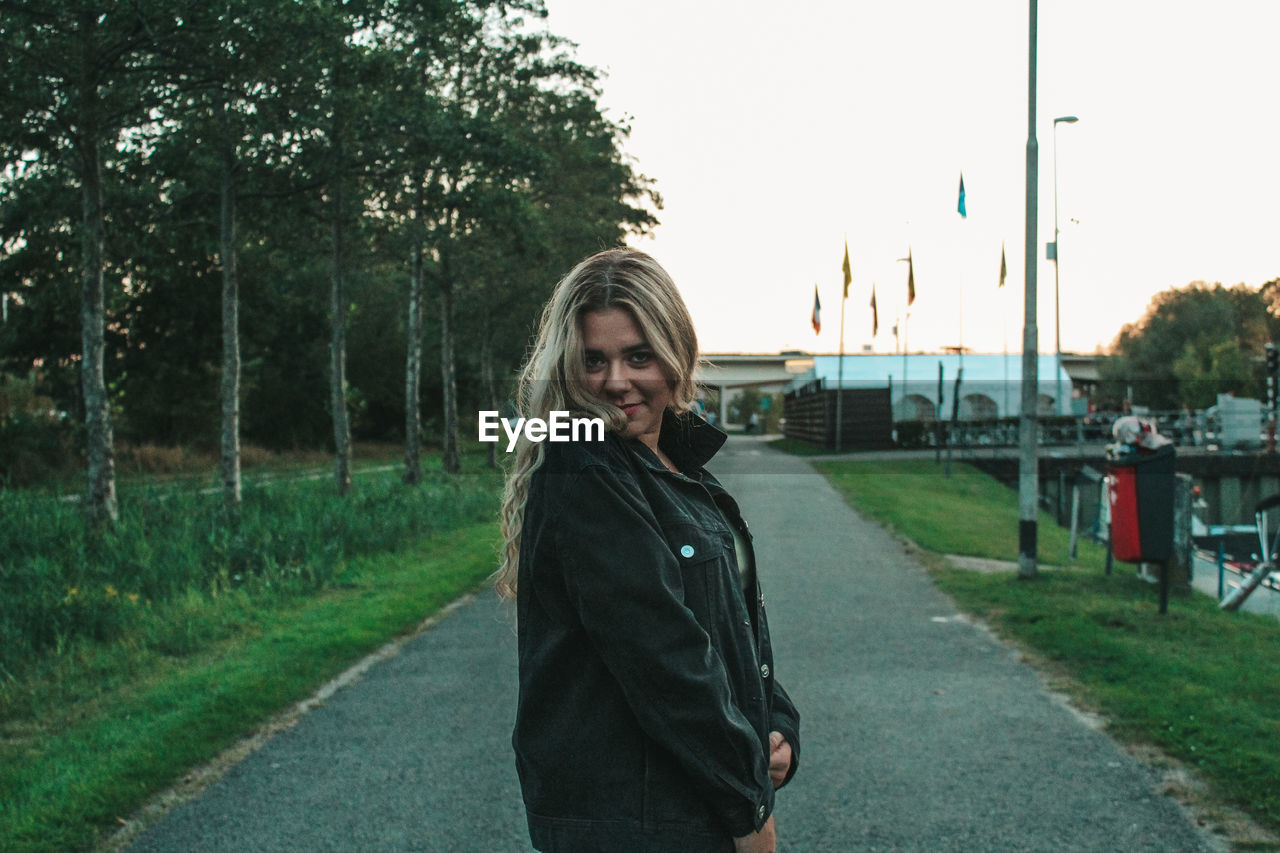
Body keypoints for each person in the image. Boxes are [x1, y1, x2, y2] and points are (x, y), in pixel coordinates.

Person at [495, 248, 800, 853]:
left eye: (638, 356)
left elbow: (727, 628)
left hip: (681, 807)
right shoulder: (587, 466)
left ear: (675, 353)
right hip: (631, 823)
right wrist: (749, 812)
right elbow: (664, 656)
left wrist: (777, 726)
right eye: (593, 360)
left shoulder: (677, 468)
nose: (615, 381)